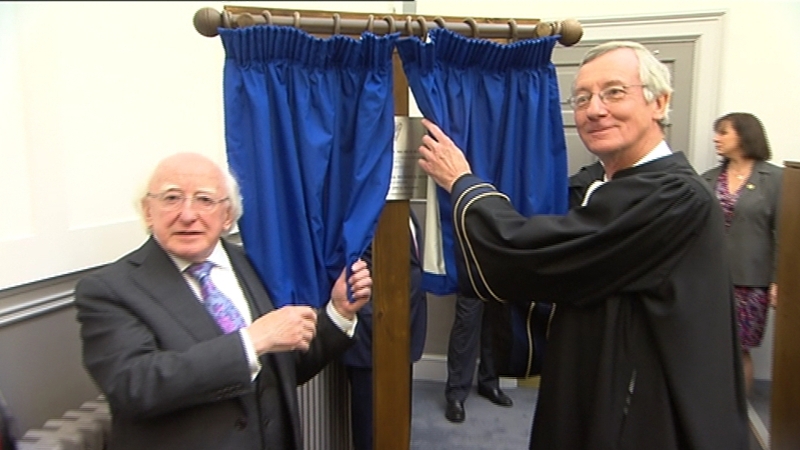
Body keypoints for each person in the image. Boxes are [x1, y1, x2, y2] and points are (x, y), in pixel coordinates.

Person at [416, 40, 748, 449]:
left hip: (641, 409)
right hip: (598, 379)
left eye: (614, 92)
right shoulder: (614, 186)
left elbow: (536, 257)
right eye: (582, 98)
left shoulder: (674, 197)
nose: (594, 109)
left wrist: (462, 182)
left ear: (659, 103)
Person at [74, 152, 373, 450]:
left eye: (204, 200)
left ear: (227, 216)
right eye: (171, 198)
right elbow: (135, 387)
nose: (188, 214)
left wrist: (338, 312)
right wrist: (251, 341)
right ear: (148, 211)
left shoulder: (250, 265)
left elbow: (282, 368)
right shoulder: (109, 289)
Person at [701, 112, 782, 397]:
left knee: (738, 348)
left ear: (745, 136)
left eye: (723, 133)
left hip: (750, 281)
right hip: (708, 278)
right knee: (706, 346)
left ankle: (736, 410)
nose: (716, 138)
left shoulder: (775, 179)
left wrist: (778, 280)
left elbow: (784, 234)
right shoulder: (708, 179)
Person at [340, 210, 427, 450]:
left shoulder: (404, 208)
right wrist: (376, 320)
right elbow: (350, 265)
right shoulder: (363, 210)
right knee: (370, 429)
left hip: (403, 332)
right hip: (373, 339)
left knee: (397, 418)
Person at [443, 293, 512, 423]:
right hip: (471, 274)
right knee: (465, 324)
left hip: (500, 274)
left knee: (496, 323)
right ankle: (456, 394)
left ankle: (489, 382)